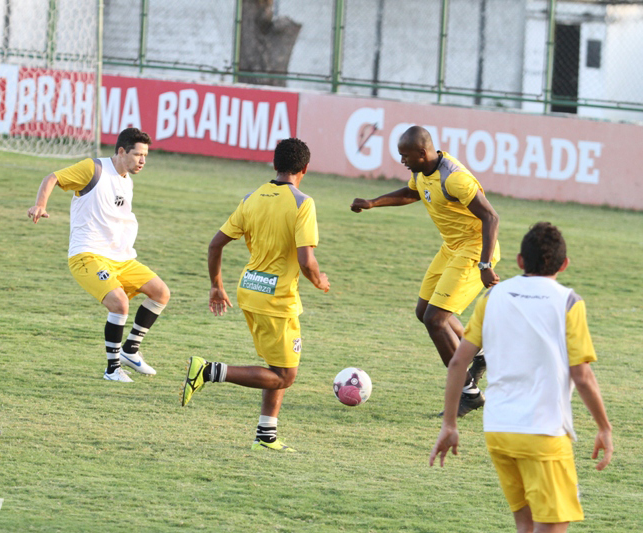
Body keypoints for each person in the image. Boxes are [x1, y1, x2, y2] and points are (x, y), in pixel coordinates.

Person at [430, 222, 613, 533]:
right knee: (553, 525)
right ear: (564, 264)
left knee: (525, 526)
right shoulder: (568, 302)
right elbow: (582, 376)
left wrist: (450, 423)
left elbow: (459, 361)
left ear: (519, 261)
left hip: (499, 430)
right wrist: (604, 427)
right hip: (542, 432)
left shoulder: (493, 296)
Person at [181, 138, 330, 453]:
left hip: (249, 288)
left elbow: (215, 245)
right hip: (277, 300)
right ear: (305, 169)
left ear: (274, 165)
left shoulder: (252, 198)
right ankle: (208, 371)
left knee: (275, 367)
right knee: (285, 376)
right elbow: (307, 261)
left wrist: (215, 285)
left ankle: (266, 435)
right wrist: (319, 280)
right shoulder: (304, 203)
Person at [350, 125, 500, 416]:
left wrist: (485, 265)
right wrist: (372, 203)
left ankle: (468, 393)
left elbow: (491, 217)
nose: (402, 161)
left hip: (474, 249)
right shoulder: (422, 171)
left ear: (422, 152)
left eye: (405, 156)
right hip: (451, 247)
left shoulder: (455, 179)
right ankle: (479, 354)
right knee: (424, 313)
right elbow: (411, 192)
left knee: (436, 319)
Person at [27, 128, 170, 382]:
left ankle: (130, 350)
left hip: (121, 258)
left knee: (161, 292)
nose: (142, 161)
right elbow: (52, 178)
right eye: (138, 154)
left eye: (145, 156)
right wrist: (41, 204)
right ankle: (112, 368)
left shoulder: (127, 180)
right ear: (122, 151)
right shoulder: (93, 169)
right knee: (119, 303)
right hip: (87, 255)